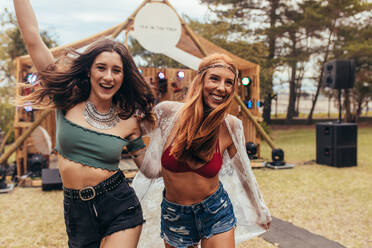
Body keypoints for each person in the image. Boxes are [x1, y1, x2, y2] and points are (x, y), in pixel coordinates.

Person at [14, 1, 155, 247]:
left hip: (119, 206)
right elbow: (33, 39)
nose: (108, 76)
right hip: (76, 212)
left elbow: (151, 169)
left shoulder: (130, 118)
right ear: (89, 71)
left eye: (116, 70)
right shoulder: (66, 98)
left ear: (124, 77)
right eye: (101, 68)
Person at [133, 54, 271, 248]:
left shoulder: (230, 126)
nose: (221, 88)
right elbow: (131, 128)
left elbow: (244, 174)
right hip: (175, 215)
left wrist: (258, 210)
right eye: (214, 78)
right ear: (200, 80)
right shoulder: (167, 113)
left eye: (229, 82)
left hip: (215, 211)